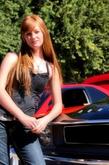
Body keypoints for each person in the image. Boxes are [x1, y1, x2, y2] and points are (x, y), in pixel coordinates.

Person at [0, 14, 63, 164]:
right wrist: (22, 117)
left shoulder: (51, 68)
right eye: (28, 33)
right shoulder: (13, 58)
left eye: (36, 32)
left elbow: (58, 105)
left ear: (43, 32)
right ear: (23, 37)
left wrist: (44, 121)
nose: (33, 36)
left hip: (26, 126)